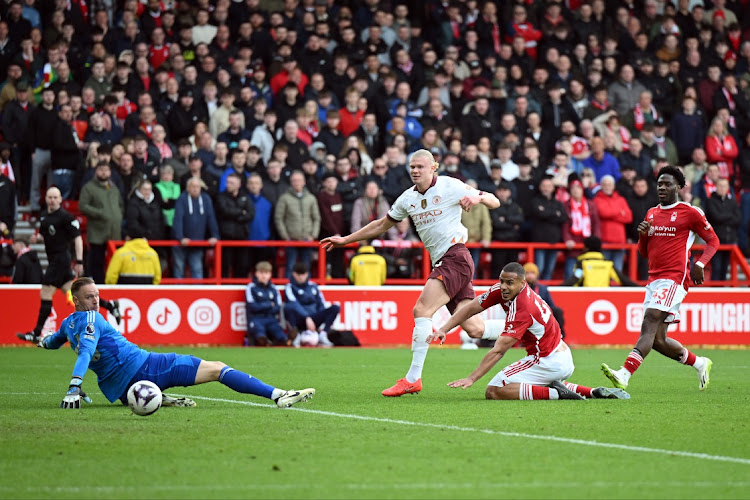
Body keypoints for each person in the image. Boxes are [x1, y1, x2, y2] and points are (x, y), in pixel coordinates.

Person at [321, 149, 501, 396]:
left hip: (455, 256)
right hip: (446, 260)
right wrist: (346, 240)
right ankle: (527, 327)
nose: (415, 171)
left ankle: (412, 378)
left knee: (421, 310)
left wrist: (478, 199)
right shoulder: (407, 198)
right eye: (412, 167)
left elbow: (494, 200)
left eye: (420, 167)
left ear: (433, 167)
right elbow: (381, 225)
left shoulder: (451, 186)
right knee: (475, 329)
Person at [39, 277, 314, 409]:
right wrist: (74, 386)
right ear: (76, 300)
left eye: (97, 295)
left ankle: (159, 397)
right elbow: (86, 353)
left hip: (122, 391)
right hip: (146, 368)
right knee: (218, 368)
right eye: (89, 297)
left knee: (207, 369)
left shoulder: (67, 324)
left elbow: (54, 341)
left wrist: (42, 342)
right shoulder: (91, 320)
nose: (96, 301)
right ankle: (279, 395)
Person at [430, 263, 629, 401]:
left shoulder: (523, 307)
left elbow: (499, 351)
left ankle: (557, 394)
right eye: (502, 281)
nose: (504, 287)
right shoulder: (501, 291)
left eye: (510, 283)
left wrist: (471, 378)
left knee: (494, 391)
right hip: (559, 353)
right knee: (477, 330)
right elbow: (471, 308)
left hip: (548, 359)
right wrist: (444, 328)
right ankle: (593, 392)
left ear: (523, 283)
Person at [602, 166, 719, 392]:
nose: (662, 188)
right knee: (658, 340)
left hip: (675, 277)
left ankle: (624, 374)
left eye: (667, 184)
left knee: (650, 320)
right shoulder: (651, 213)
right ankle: (700, 363)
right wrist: (643, 235)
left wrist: (700, 263)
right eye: (659, 184)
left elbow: (713, 241)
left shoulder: (690, 212)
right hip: (654, 278)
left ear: (679, 187)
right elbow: (644, 252)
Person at [17, 187, 119, 343]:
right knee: (76, 295)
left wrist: (79, 261)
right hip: (54, 260)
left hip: (61, 260)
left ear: (60, 199)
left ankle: (36, 333)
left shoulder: (65, 217)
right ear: (46, 199)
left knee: (45, 293)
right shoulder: (44, 217)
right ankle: (110, 305)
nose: (52, 200)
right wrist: (36, 239)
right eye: (49, 197)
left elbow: (77, 238)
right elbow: (47, 237)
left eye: (55, 197)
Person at [79, 161, 124, 284]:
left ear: (110, 172)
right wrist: (100, 213)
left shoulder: (114, 188)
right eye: (101, 169)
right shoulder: (89, 187)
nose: (103, 172)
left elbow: (120, 205)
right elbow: (83, 206)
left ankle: (112, 284)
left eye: (106, 170)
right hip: (97, 232)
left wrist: (118, 215)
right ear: (96, 171)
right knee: (97, 261)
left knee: (115, 261)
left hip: (114, 232)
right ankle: (97, 285)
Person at [275, 170, 321, 279]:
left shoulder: (311, 198)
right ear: (291, 182)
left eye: (299, 180)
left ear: (304, 182)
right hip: (291, 239)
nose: (297, 183)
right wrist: (285, 236)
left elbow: (316, 218)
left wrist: (313, 235)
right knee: (290, 266)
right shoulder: (284, 198)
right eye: (294, 180)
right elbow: (278, 218)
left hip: (307, 239)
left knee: (306, 266)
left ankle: (306, 290)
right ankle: (288, 289)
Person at [172, 177, 220, 279]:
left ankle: (198, 293)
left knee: (197, 268)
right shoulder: (182, 199)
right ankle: (177, 293)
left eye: (197, 186)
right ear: (187, 188)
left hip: (197, 242)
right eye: (192, 186)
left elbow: (211, 218)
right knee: (179, 269)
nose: (195, 189)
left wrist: (215, 235)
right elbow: (178, 219)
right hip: (181, 243)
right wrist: (180, 237)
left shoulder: (206, 199)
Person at [284, 262, 341, 348]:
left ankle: (323, 334)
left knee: (335, 307)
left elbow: (321, 304)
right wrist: (307, 317)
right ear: (293, 274)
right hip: (300, 319)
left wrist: (316, 318)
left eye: (303, 274)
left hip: (314, 319)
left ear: (307, 274)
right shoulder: (290, 287)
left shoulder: (313, 286)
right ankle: (296, 335)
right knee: (288, 307)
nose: (300, 277)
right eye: (298, 274)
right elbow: (294, 303)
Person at [562, 236, 638, 287]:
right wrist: (641, 289)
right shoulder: (608, 264)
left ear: (587, 248)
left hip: (584, 297)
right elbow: (623, 280)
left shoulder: (582, 263)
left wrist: (557, 288)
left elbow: (575, 279)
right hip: (603, 297)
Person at [705, 178, 741, 281]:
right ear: (716, 187)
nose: (722, 188)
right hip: (716, 241)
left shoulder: (733, 202)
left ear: (728, 188)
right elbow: (715, 217)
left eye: (724, 186)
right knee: (716, 268)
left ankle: (722, 293)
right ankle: (714, 295)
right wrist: (729, 216)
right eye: (720, 186)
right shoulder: (710, 201)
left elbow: (738, 219)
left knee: (724, 269)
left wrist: (723, 217)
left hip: (730, 240)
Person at [245, 261, 288, 347]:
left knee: (280, 334)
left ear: (270, 274)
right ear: (256, 273)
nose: (264, 276)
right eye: (261, 273)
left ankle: (284, 340)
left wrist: (262, 306)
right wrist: (268, 304)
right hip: (256, 318)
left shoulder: (273, 288)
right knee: (259, 332)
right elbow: (252, 306)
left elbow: (277, 307)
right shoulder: (251, 287)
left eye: (266, 273)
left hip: (270, 318)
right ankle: (264, 341)